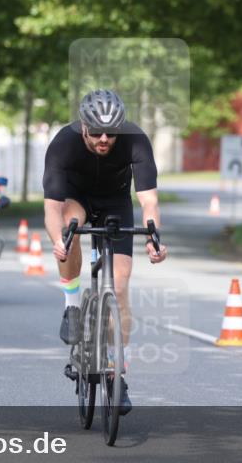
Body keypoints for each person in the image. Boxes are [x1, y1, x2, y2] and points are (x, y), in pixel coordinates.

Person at [42, 89, 168, 415]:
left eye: (110, 133)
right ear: (83, 127)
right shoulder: (63, 144)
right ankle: (71, 305)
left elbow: (148, 200)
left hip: (115, 203)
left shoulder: (135, 140)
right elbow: (52, 208)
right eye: (96, 132)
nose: (103, 139)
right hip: (76, 198)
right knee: (69, 230)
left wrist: (153, 236)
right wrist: (58, 239)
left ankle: (117, 371)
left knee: (121, 285)